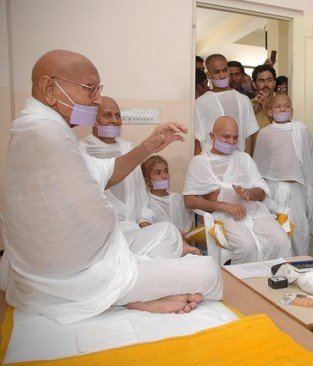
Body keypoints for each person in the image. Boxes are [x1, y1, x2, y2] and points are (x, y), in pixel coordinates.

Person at [2, 50, 223, 323]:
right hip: (77, 276)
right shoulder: (45, 134)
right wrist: (131, 246)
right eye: (89, 89)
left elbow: (105, 173)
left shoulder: (48, 128)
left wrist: (151, 145)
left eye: (98, 90)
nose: (95, 99)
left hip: (85, 256)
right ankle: (129, 296)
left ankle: (141, 289)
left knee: (166, 234)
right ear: (49, 88)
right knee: (208, 271)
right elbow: (95, 217)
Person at [79, 96, 185, 259]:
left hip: (131, 233)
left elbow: (141, 203)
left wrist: (147, 231)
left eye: (118, 115)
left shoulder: (128, 150)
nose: (114, 120)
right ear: (93, 119)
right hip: (99, 239)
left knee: (169, 233)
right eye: (107, 115)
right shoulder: (81, 151)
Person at [183, 116, 292, 264]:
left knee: (281, 240)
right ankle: (245, 283)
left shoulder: (244, 158)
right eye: (226, 137)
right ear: (212, 136)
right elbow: (189, 200)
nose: (231, 142)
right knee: (247, 247)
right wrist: (225, 206)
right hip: (225, 216)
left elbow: (261, 190)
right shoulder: (200, 162)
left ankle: (275, 279)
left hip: (255, 212)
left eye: (235, 138)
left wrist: (249, 193)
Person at [253, 94, 313, 255]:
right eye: (278, 106)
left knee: (299, 229)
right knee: (276, 230)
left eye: (287, 106)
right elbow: (259, 167)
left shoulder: (300, 130)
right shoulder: (265, 133)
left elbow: (309, 158)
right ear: (270, 111)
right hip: (272, 189)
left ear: (292, 110)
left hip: (296, 188)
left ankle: (300, 264)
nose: (283, 109)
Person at [194, 54, 259, 155]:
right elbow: (198, 139)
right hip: (211, 160)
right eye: (216, 72)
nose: (222, 75)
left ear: (228, 70)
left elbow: (248, 135)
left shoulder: (244, 100)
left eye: (224, 70)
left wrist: (247, 160)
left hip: (238, 160)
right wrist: (200, 165)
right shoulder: (201, 102)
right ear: (208, 75)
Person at [141, 155, 200, 256]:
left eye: (166, 171)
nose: (164, 176)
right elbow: (146, 229)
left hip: (186, 248)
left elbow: (188, 229)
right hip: (162, 251)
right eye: (158, 173)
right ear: (147, 181)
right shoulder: (146, 203)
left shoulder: (178, 199)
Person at [251, 64, 277, 129]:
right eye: (261, 80)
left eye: (269, 80)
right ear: (254, 84)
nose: (266, 84)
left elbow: (285, 130)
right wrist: (251, 112)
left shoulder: (283, 103)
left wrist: (267, 110)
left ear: (274, 83)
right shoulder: (248, 104)